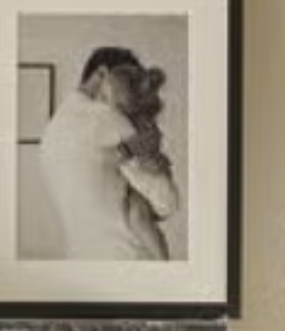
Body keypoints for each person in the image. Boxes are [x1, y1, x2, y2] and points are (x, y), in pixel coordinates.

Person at [37, 46, 181, 262]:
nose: (131, 94)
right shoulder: (106, 118)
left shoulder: (52, 129)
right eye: (128, 83)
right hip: (128, 260)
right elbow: (167, 202)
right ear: (102, 74)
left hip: (81, 258)